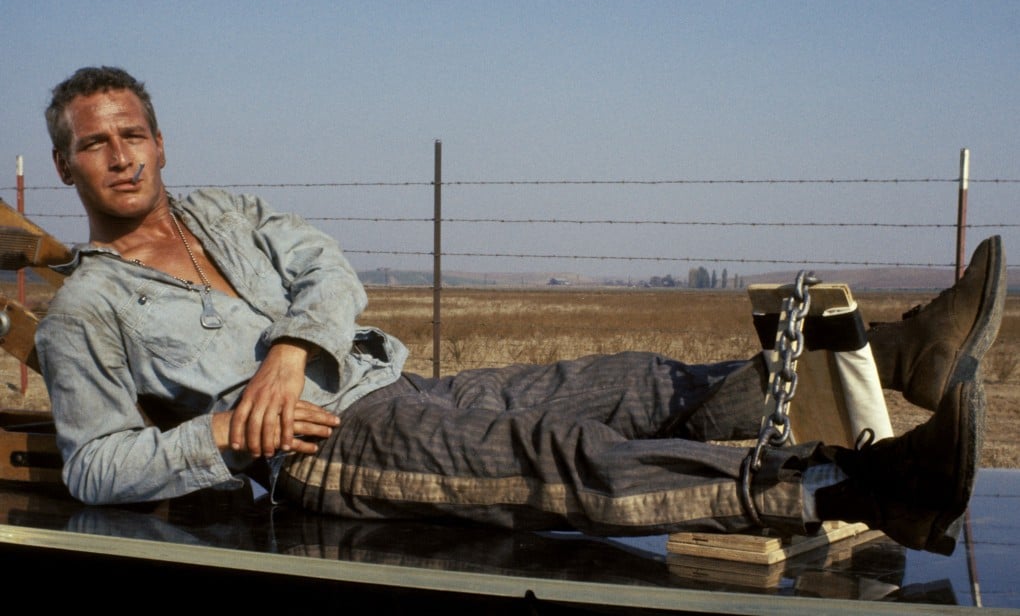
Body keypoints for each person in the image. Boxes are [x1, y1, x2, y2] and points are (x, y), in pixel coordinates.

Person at [37, 66, 1006, 557]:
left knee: (632, 379)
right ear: (66, 164)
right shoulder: (85, 307)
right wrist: (222, 428)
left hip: (401, 384)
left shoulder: (229, 214)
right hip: (323, 445)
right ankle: (868, 485)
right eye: (94, 144)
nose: (119, 156)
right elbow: (93, 464)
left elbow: (329, 275)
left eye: (132, 134)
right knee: (554, 455)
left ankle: (899, 350)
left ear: (160, 142)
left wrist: (291, 346)